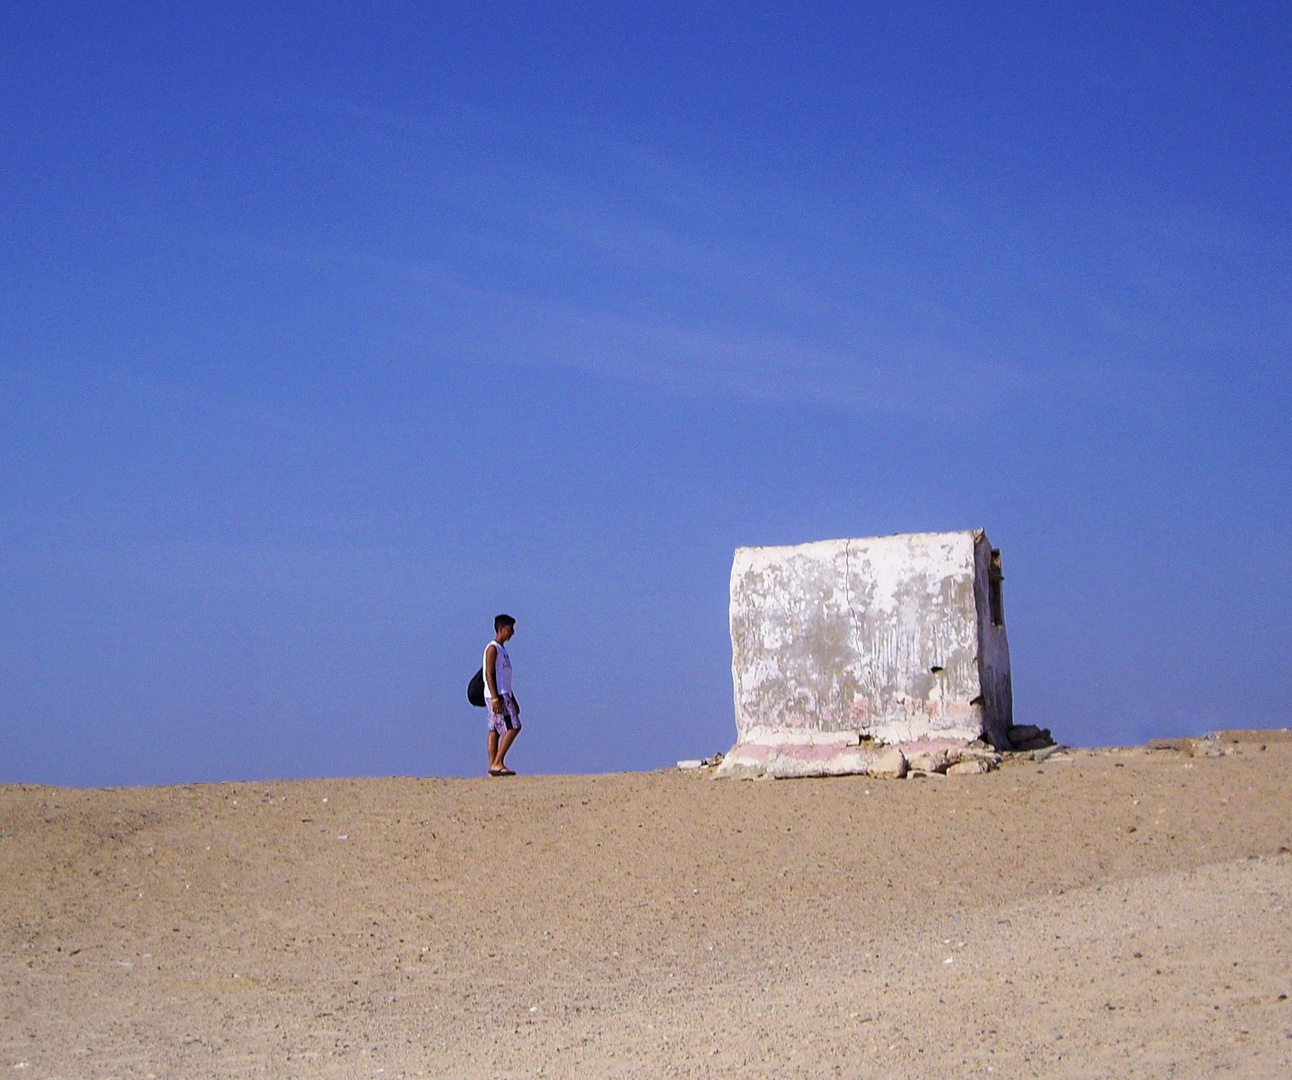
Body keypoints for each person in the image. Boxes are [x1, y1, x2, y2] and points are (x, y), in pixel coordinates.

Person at [483, 614, 521, 776]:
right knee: (513, 726)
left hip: (504, 694)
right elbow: (489, 674)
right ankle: (498, 762)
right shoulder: (492, 648)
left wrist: (513, 699)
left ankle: (493, 765)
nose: (512, 632)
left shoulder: (501, 649)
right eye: (510, 629)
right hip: (498, 695)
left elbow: (504, 678)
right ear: (501, 629)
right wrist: (496, 698)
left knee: (495, 730)